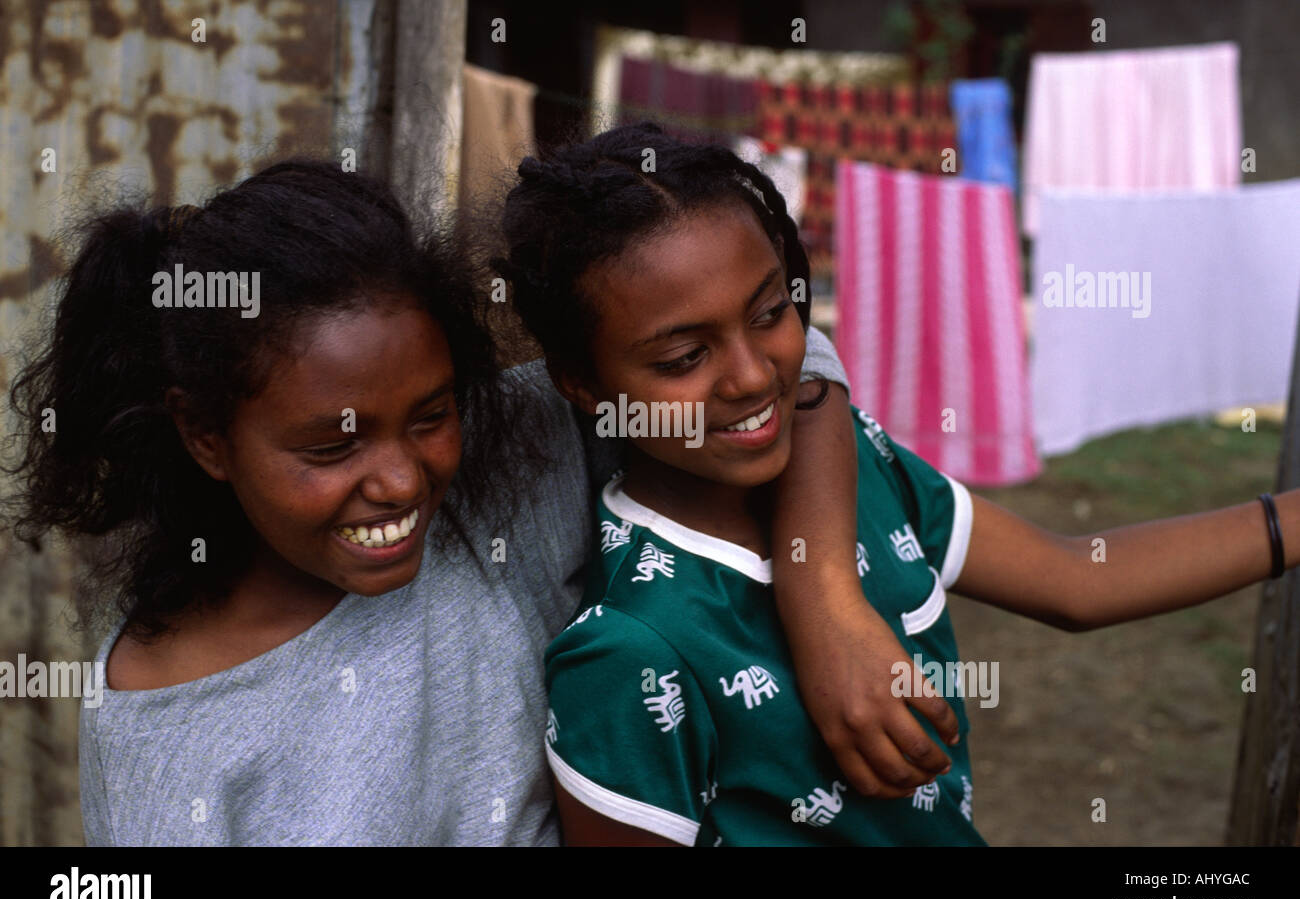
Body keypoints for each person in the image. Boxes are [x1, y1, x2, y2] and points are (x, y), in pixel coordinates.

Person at [1, 159, 918, 845]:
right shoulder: (171, 742)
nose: (402, 479)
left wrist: (827, 599)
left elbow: (795, 377)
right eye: (333, 444)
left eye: (431, 414)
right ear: (206, 436)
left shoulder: (492, 484)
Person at [494, 123, 1300, 845]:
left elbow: (1077, 577)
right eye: (682, 358)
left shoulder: (862, 464)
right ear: (585, 386)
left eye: (770, 311)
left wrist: (1287, 520)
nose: (751, 375)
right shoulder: (630, 653)